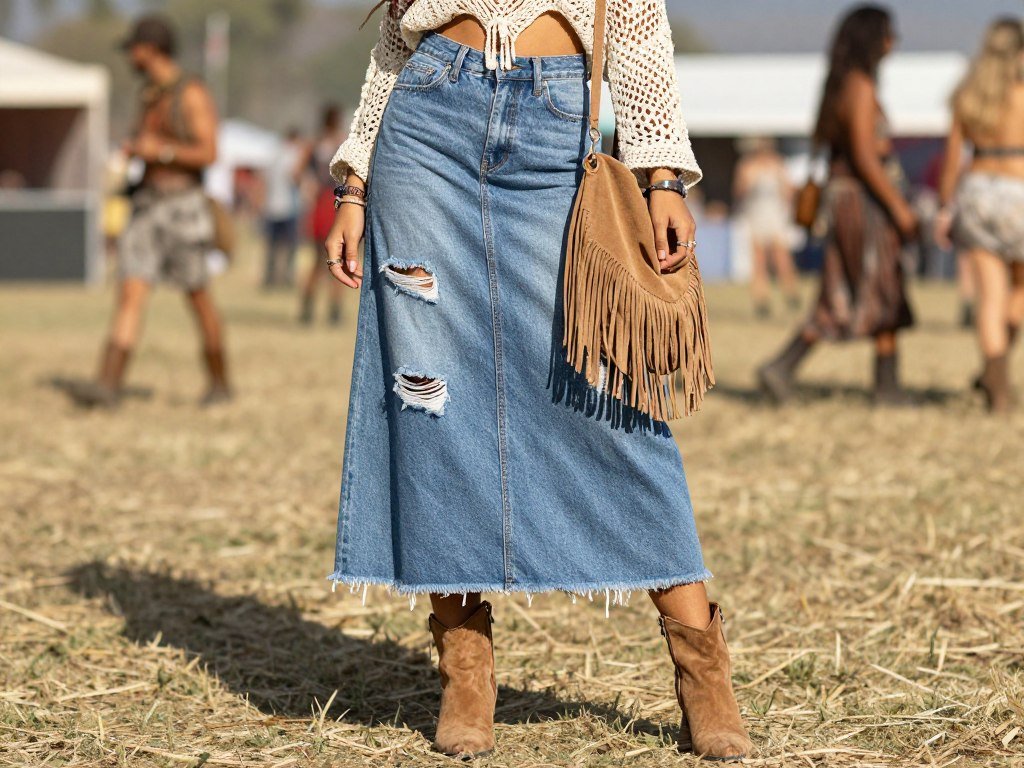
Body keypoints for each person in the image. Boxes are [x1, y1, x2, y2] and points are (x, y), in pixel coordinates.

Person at [322, 1, 752, 762]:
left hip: (556, 120)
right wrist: (355, 182)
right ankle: (465, 669)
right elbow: (394, 43)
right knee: (434, 400)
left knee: (608, 404)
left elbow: (640, 23)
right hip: (423, 130)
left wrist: (662, 176)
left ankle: (702, 670)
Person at [758, 5, 917, 405]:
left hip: (849, 197)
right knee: (876, 283)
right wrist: (898, 207)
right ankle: (885, 387)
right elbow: (865, 156)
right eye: (886, 34)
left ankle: (788, 367)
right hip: (862, 199)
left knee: (858, 285)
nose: (892, 42)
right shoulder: (859, 86)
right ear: (871, 38)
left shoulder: (842, 84)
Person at [71, 15, 231, 408]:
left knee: (197, 296)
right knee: (130, 290)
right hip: (146, 205)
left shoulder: (190, 92)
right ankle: (108, 385)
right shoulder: (150, 94)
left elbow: (209, 152)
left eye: (133, 48)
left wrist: (158, 150)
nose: (130, 56)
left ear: (150, 49)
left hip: (183, 207)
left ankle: (220, 382)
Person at [936, 18, 1024, 413]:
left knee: (990, 297)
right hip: (1020, 192)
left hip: (978, 193)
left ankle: (996, 382)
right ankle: (997, 371)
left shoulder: (967, 96)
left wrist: (943, 209)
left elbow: (952, 162)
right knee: (1018, 294)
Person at [734, 137, 799, 317]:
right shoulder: (747, 166)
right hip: (756, 216)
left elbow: (789, 191)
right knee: (759, 260)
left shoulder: (778, 164)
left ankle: (791, 293)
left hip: (775, 216)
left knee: (781, 258)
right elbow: (739, 191)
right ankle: (761, 299)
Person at [298, 106, 346, 325]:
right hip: (336, 205)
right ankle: (334, 312)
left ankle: (307, 309)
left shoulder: (314, 144)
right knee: (339, 259)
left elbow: (296, 173)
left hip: (320, 204)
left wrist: (309, 187)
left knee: (318, 261)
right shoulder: (343, 143)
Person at [262, 127, 305, 289]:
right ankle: (287, 277)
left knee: (272, 246)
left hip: (271, 206)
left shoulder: (274, 154)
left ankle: (270, 278)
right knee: (290, 246)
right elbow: (296, 177)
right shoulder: (294, 155)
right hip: (289, 207)